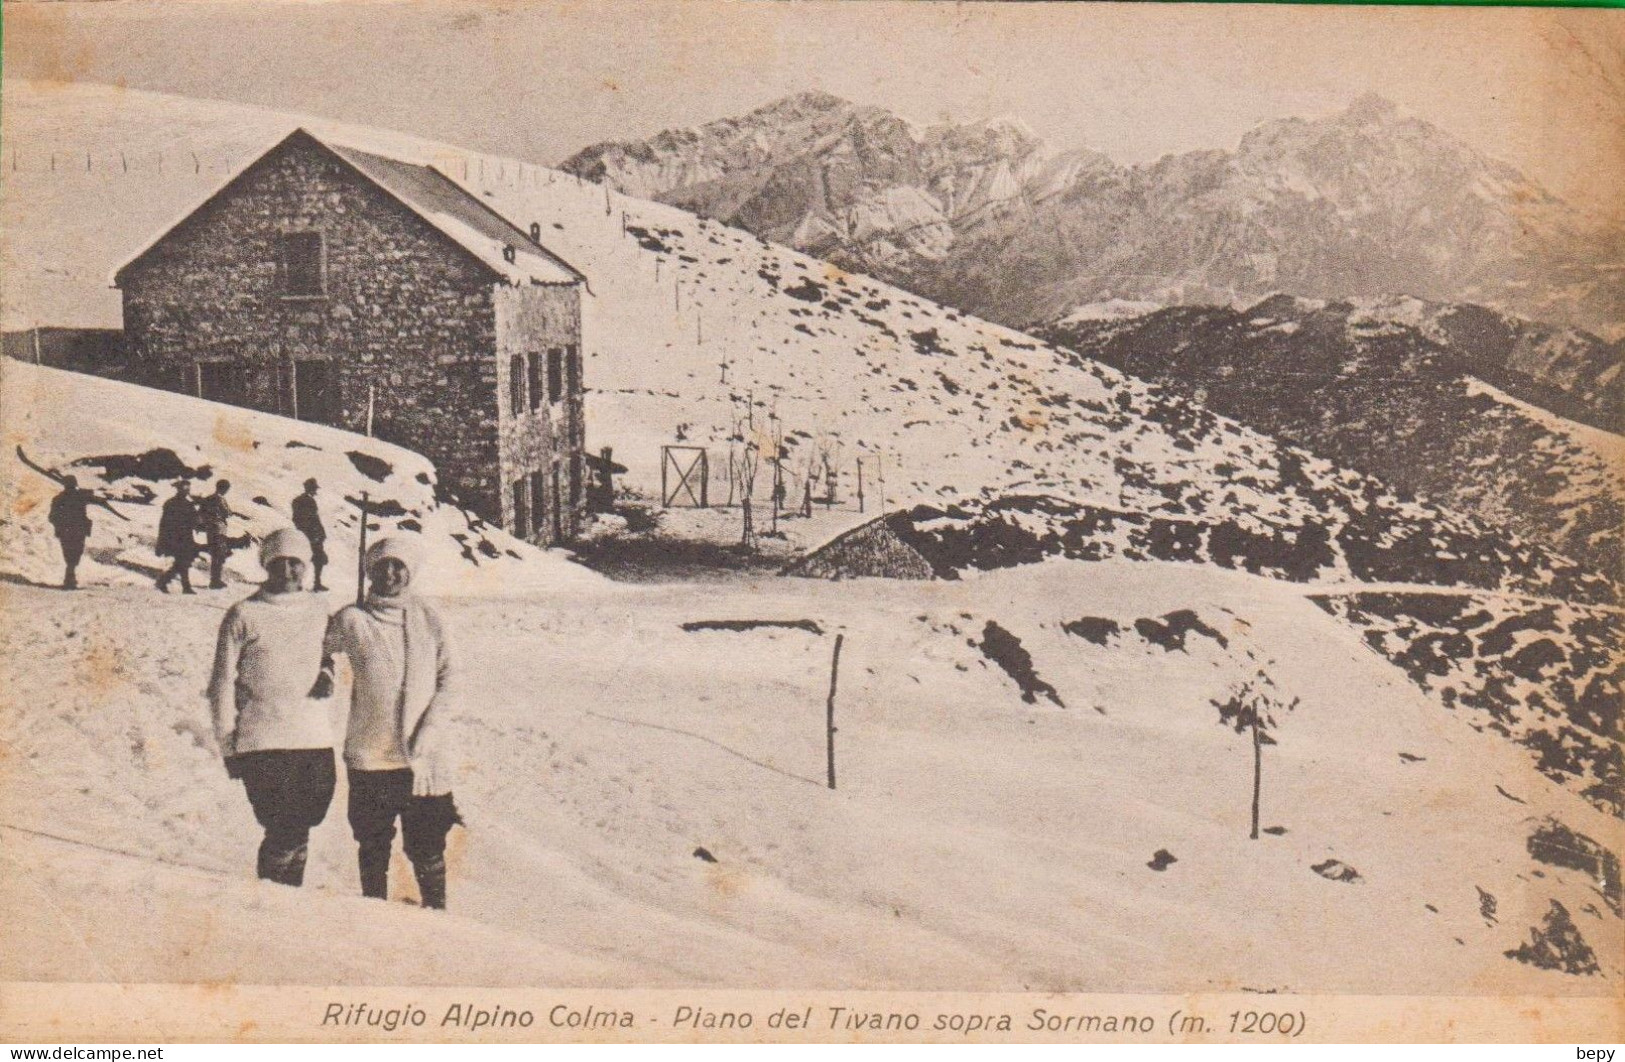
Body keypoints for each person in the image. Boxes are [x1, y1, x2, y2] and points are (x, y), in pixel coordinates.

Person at [315, 537, 459, 910]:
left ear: (410, 571)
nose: (390, 574)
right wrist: (326, 671)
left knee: (427, 843)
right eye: (381, 567)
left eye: (398, 566)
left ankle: (437, 912)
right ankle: (374, 913)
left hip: (422, 756)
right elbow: (315, 649)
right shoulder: (352, 619)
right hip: (371, 753)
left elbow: (450, 679)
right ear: (368, 572)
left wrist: (430, 729)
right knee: (372, 840)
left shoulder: (428, 619)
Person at [207, 528, 336, 887]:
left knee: (305, 824)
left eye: (296, 563)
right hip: (263, 739)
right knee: (284, 827)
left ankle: (288, 900)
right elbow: (219, 683)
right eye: (279, 562)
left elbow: (327, 650)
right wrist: (226, 744)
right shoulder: (244, 613)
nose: (288, 571)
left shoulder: (319, 609)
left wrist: (327, 670)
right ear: (267, 565)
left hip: (313, 737)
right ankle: (271, 898)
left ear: (307, 566)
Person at [46, 476, 95, 590]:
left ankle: (70, 577)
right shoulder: (80, 497)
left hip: (66, 531)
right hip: (77, 530)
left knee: (70, 554)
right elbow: (91, 496)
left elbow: (52, 517)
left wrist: (60, 525)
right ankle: (70, 578)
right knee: (75, 553)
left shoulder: (58, 499)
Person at [155, 480, 200, 594]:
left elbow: (195, 520)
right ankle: (181, 586)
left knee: (183, 562)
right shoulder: (171, 503)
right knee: (182, 562)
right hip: (175, 538)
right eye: (184, 489)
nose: (186, 492)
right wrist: (162, 541)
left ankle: (167, 583)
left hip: (186, 537)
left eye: (188, 490)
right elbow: (164, 523)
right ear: (179, 489)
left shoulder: (188, 504)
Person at [291, 478, 329, 592]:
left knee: (310, 558)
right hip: (311, 535)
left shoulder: (298, 500)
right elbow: (308, 519)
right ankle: (315, 583)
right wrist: (314, 534)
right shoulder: (307, 501)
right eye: (314, 489)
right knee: (314, 558)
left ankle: (310, 583)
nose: (315, 491)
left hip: (310, 534)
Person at [198, 480, 236, 589]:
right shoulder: (220, 499)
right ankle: (215, 581)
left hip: (210, 530)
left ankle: (214, 580)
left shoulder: (207, 499)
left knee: (214, 554)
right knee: (218, 555)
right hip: (219, 530)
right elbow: (228, 513)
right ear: (225, 488)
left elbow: (201, 512)